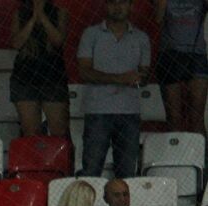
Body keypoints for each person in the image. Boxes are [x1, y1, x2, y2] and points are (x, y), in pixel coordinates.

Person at [77, 1, 152, 179]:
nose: (117, 6)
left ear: (131, 6)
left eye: (123, 2)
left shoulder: (141, 38)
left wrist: (139, 79)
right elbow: (84, 73)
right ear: (105, 5)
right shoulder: (91, 34)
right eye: (113, 1)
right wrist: (121, 78)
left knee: (127, 173)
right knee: (91, 171)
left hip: (129, 112)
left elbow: (145, 75)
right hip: (98, 111)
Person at [10, 0, 71, 137]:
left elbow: (58, 40)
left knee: (59, 131)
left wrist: (42, 15)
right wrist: (32, 19)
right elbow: (16, 43)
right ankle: (34, 158)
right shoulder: (20, 13)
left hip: (53, 77)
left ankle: (61, 158)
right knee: (30, 132)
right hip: (24, 77)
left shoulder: (59, 12)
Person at [154, 0, 207, 134]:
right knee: (173, 118)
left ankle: (201, 155)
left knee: (197, 119)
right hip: (170, 54)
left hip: (196, 54)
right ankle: (175, 155)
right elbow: (158, 18)